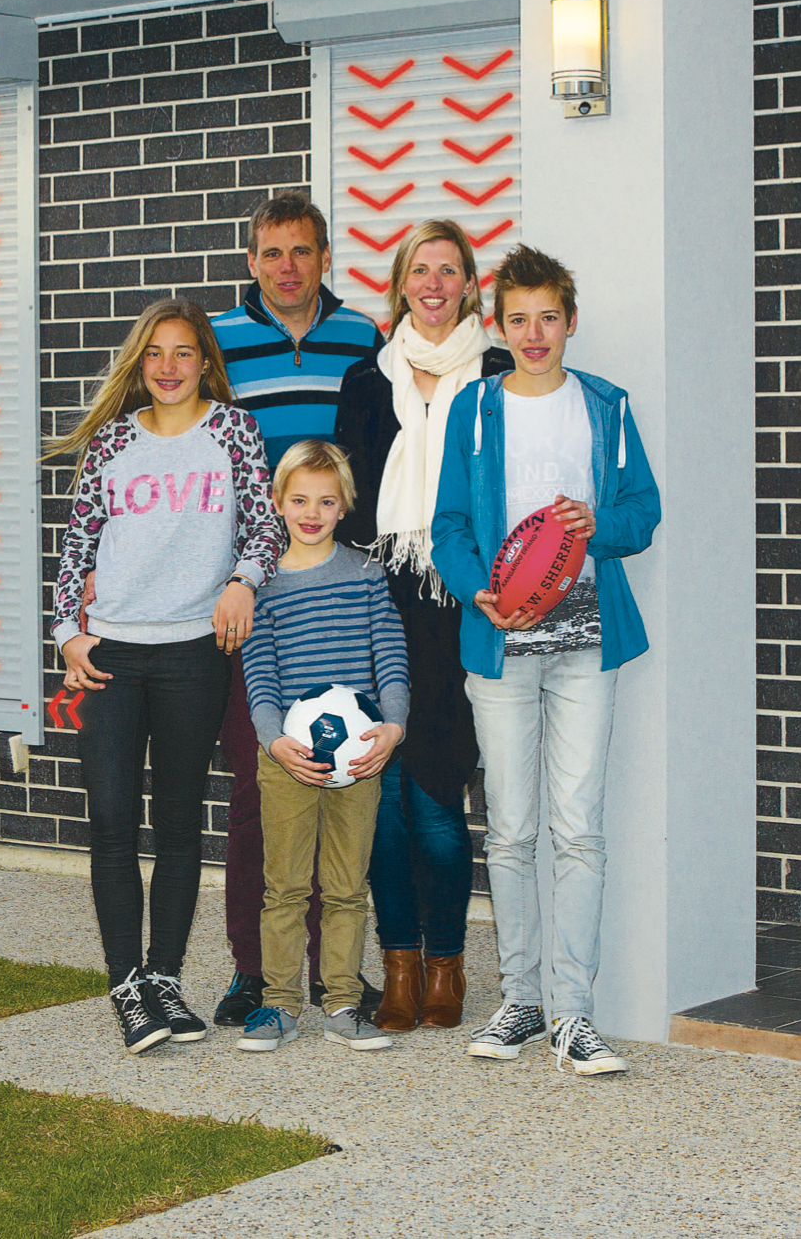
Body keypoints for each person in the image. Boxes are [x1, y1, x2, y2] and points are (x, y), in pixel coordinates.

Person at [431, 244, 660, 1076]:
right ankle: (521, 1002)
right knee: (515, 829)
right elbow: (448, 524)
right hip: (500, 642)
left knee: (580, 830)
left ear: (570, 322)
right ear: (499, 324)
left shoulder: (606, 405)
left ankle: (576, 1014)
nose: (534, 334)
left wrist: (598, 520)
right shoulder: (475, 408)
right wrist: (474, 590)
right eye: (518, 319)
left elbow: (645, 511)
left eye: (549, 319)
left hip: (588, 642)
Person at [49, 297, 284, 1054]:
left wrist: (244, 579)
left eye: (184, 353)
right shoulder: (113, 442)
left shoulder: (234, 433)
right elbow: (76, 547)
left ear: (206, 363)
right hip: (112, 653)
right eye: (155, 353)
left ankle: (166, 979)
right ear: (138, 364)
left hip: (194, 653)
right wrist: (66, 636)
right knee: (113, 819)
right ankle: (126, 984)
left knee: (181, 823)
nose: (169, 367)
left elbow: (265, 524)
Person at [207, 189, 385, 1027]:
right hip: (253, 593)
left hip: (339, 593)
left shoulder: (361, 337)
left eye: (302, 252)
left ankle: (332, 971)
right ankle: (256, 969)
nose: (287, 267)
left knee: (341, 769)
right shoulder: (220, 344)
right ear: (252, 261)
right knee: (261, 783)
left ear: (324, 258)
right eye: (272, 253)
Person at [333, 219, 513, 1033]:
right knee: (384, 801)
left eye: (450, 270)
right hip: (379, 603)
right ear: (401, 284)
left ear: (471, 285)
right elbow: (343, 508)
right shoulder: (365, 382)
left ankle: (447, 966)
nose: (434, 284)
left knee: (439, 797)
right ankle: (396, 964)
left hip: (460, 606)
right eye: (419, 270)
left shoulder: (501, 374)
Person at [236, 440, 408, 1053]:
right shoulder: (265, 584)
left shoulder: (364, 573)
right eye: (300, 499)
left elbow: (389, 655)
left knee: (345, 887)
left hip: (360, 759)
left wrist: (392, 727)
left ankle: (340, 1001)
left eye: (326, 501)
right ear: (278, 502)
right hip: (287, 759)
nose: (312, 512)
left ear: (345, 507)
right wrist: (273, 739)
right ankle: (278, 1005)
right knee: (283, 886)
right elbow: (258, 671)